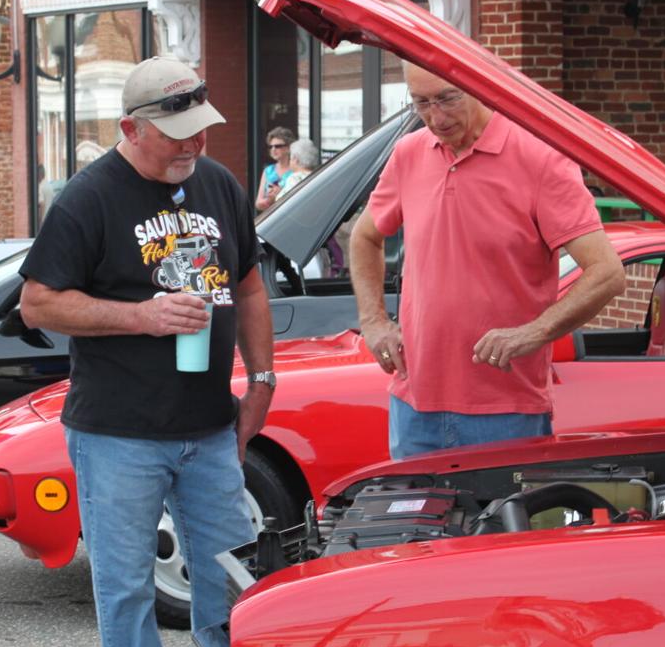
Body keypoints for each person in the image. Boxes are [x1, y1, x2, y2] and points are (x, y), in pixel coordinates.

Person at [19, 56, 274, 647]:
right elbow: (40, 303)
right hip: (117, 431)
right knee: (127, 586)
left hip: (207, 425)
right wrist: (142, 315)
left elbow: (248, 285)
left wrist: (261, 376)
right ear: (130, 128)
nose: (192, 145)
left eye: (201, 129)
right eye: (176, 135)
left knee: (230, 579)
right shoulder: (89, 198)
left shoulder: (219, 186)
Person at [350, 62, 626, 459]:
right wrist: (374, 321)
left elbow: (607, 273)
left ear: (478, 84)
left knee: (502, 523)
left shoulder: (540, 158)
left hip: (506, 410)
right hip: (414, 402)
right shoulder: (409, 153)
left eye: (447, 98)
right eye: (421, 103)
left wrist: (532, 333)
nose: (436, 117)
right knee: (409, 524)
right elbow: (364, 237)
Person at [253, 125, 295, 217]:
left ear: (288, 147)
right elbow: (258, 203)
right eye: (271, 147)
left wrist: (280, 194)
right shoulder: (268, 171)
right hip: (271, 219)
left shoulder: (296, 171)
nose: (273, 149)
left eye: (278, 146)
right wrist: (269, 200)